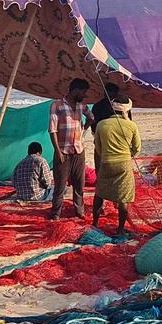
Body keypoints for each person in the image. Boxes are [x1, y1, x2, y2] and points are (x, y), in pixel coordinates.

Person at [92, 96, 142, 236]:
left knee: (99, 193)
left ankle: (94, 224)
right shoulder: (131, 126)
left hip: (106, 162)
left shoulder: (101, 125)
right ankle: (120, 229)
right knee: (123, 198)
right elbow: (137, 148)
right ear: (126, 110)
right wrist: (127, 154)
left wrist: (106, 155)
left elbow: (98, 147)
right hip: (124, 164)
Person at [49, 79, 95, 219]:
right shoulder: (57, 105)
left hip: (78, 151)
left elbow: (91, 118)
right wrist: (58, 151)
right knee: (60, 185)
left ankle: (79, 211)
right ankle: (56, 213)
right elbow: (52, 130)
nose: (84, 95)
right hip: (63, 151)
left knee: (79, 184)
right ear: (75, 90)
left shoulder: (82, 106)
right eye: (83, 92)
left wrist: (84, 128)